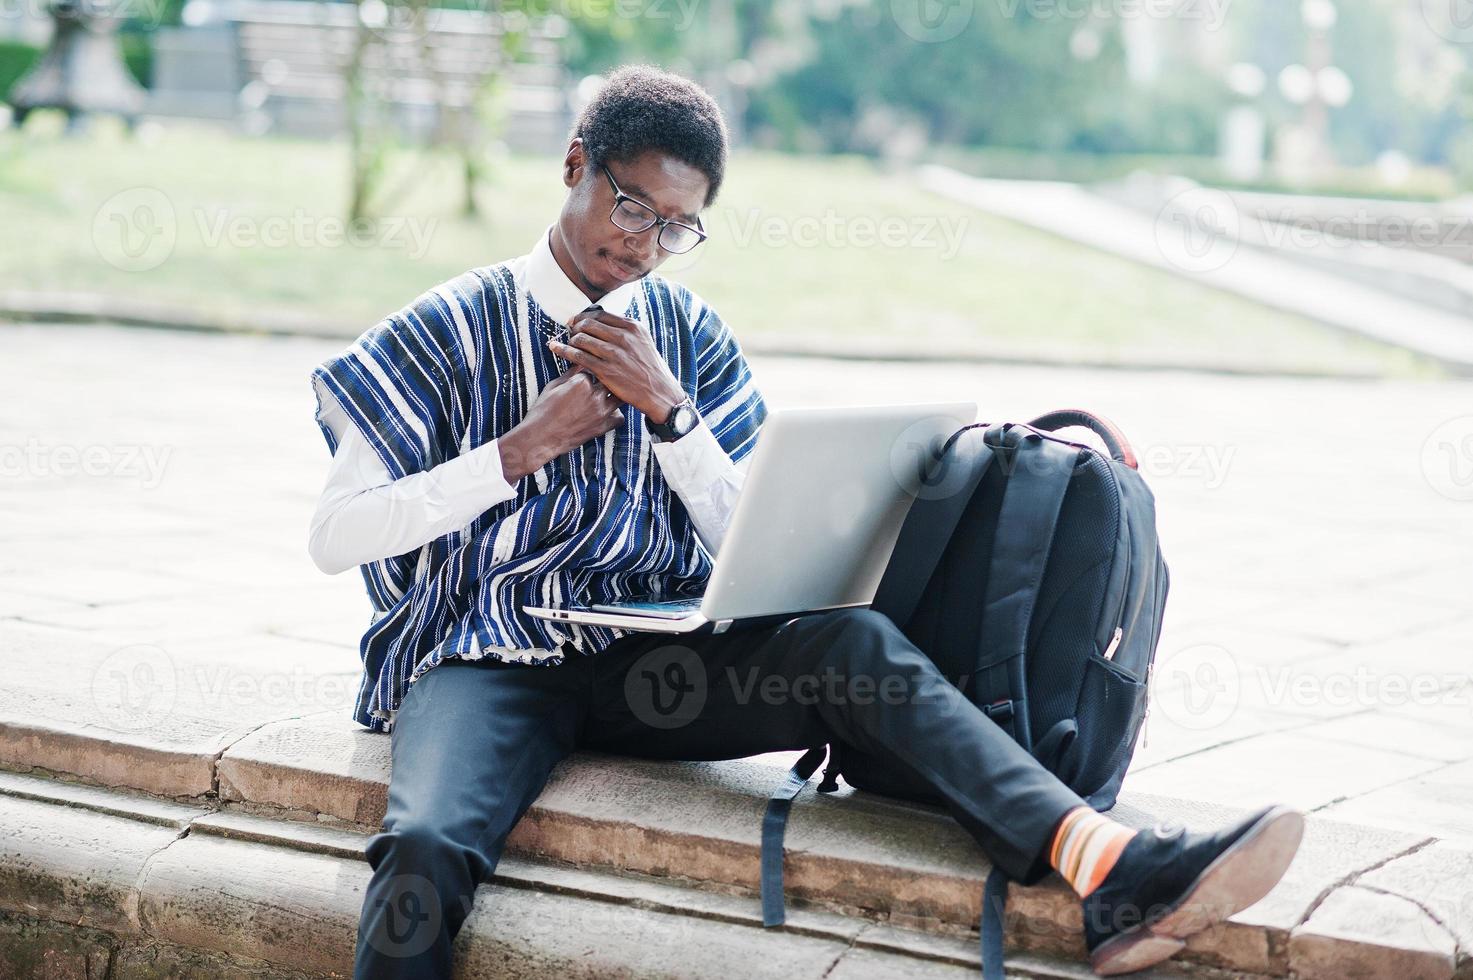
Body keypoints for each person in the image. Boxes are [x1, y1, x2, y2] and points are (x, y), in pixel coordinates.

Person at [306, 64, 1304, 979]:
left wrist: (671, 415)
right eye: (629, 203)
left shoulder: (690, 339)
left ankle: (1109, 864)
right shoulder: (445, 324)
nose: (644, 242)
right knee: (427, 843)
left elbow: (748, 537)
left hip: (648, 665)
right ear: (575, 164)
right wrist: (513, 454)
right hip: (489, 661)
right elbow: (336, 532)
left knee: (849, 641)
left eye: (675, 226)